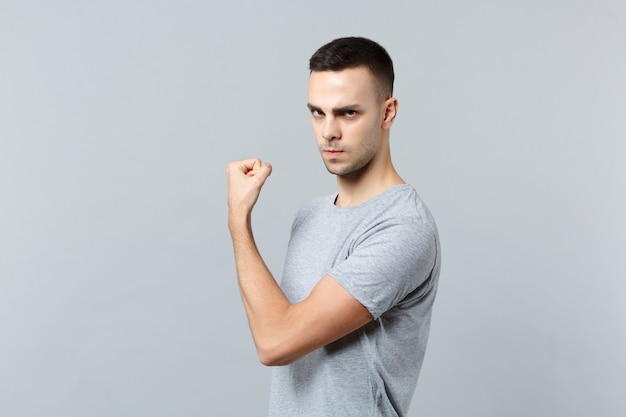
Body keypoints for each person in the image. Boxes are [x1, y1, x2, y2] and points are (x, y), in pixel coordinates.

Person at [226, 36, 441, 417]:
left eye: (348, 113)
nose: (328, 132)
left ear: (388, 112)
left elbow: (275, 342)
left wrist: (238, 219)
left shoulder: (403, 228)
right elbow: (280, 330)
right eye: (317, 112)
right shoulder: (310, 215)